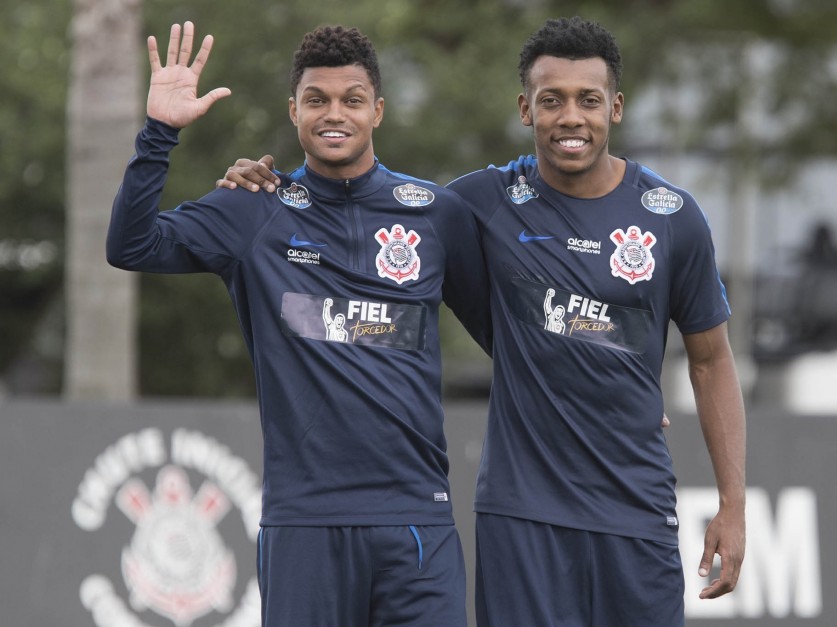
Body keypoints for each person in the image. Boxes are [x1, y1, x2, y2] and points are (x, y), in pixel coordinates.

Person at [221, 16, 746, 626]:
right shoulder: (476, 204)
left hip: (637, 507)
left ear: (617, 108)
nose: (570, 117)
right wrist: (264, 189)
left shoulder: (673, 217)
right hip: (520, 514)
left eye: (588, 100)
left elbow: (710, 361)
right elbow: (365, 215)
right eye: (551, 100)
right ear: (526, 109)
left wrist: (732, 504)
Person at [107, 21, 492, 627]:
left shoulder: (436, 214)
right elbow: (130, 245)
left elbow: (505, 336)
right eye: (317, 100)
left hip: (416, 521)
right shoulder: (251, 209)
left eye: (351, 100)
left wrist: (604, 397)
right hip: (304, 522)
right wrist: (160, 133)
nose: (333, 114)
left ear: (378, 110)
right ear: (294, 111)